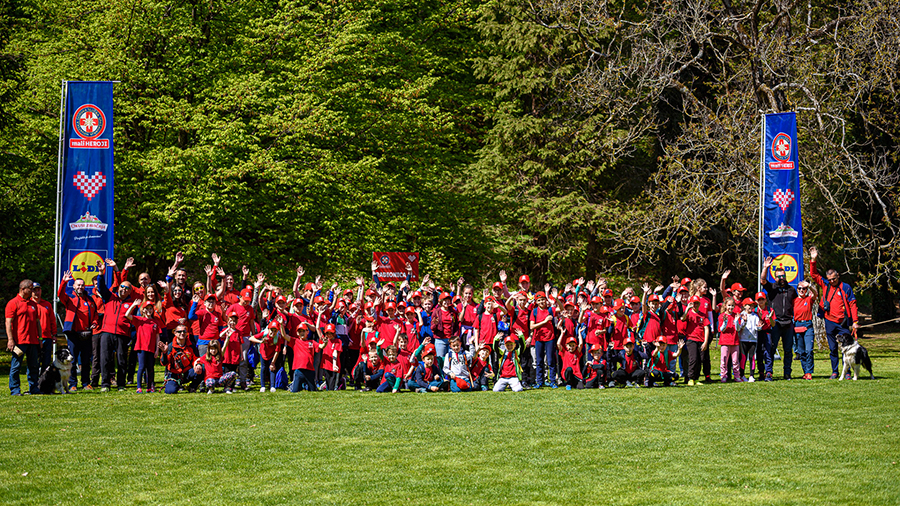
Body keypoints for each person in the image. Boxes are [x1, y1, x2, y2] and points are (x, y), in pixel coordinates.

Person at [808, 246, 859, 379]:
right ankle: (835, 371)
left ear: (838, 276)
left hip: (842, 322)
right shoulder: (826, 285)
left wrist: (855, 321)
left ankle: (847, 372)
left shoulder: (846, 288)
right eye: (829, 279)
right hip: (829, 321)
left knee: (847, 349)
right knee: (832, 349)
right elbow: (814, 275)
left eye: (834, 279)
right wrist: (813, 260)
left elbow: (853, 304)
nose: (831, 281)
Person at [95, 261, 137, 392]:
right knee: (105, 359)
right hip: (106, 332)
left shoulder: (132, 302)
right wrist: (101, 273)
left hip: (122, 334)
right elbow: (101, 287)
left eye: (127, 288)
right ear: (118, 288)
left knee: (121, 359)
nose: (123, 289)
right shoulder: (110, 297)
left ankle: (121, 384)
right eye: (122, 287)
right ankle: (105, 384)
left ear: (130, 291)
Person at [58, 270, 98, 391]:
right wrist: (64, 282)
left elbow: (95, 314)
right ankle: (72, 384)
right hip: (73, 334)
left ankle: (86, 383)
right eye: (78, 285)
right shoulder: (69, 298)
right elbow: (60, 295)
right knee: (72, 360)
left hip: (87, 334)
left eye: (82, 285)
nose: (80, 287)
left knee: (86, 360)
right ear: (74, 286)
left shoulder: (90, 300)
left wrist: (95, 323)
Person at [760, 256, 798, 380]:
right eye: (779, 276)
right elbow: (763, 281)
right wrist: (765, 267)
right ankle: (769, 372)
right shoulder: (772, 288)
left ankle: (787, 373)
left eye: (783, 276)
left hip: (788, 323)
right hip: (775, 323)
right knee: (771, 348)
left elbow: (796, 303)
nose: (781, 278)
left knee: (788, 350)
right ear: (775, 277)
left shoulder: (791, 289)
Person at [5, 280, 41, 395]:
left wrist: (40, 338)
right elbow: (8, 322)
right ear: (23, 289)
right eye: (30, 289)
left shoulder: (33, 304)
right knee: (16, 366)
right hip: (19, 341)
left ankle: (34, 388)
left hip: (33, 341)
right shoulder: (13, 303)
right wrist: (10, 340)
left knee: (33, 366)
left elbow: (37, 322)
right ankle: (15, 389)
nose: (32, 291)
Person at [125, 302, 163, 393]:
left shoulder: (155, 322)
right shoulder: (139, 320)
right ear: (143, 310)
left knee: (150, 368)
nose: (149, 310)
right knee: (141, 367)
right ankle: (139, 387)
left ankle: (149, 387)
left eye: (151, 308)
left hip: (151, 348)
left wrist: (157, 350)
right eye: (147, 308)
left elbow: (158, 337)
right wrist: (134, 305)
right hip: (141, 347)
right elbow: (127, 315)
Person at [680, 295, 709, 386]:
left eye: (697, 303)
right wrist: (687, 309)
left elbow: (706, 328)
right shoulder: (688, 313)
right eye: (693, 303)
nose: (695, 305)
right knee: (693, 359)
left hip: (701, 340)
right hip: (691, 339)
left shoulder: (703, 315)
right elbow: (682, 318)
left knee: (700, 359)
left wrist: (705, 342)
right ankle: (690, 378)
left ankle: (696, 378)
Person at [529, 291, 556, 388]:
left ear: (546, 300)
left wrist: (556, 299)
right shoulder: (534, 311)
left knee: (550, 361)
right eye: (539, 300)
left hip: (550, 338)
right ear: (536, 302)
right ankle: (539, 381)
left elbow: (560, 309)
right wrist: (544, 322)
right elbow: (532, 326)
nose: (541, 302)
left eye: (543, 300)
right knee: (539, 361)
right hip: (539, 339)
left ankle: (552, 381)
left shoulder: (550, 310)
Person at [159, 328, 199, 393]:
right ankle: (176, 385)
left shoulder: (191, 345)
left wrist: (198, 365)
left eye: (184, 331)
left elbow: (196, 359)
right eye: (179, 331)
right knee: (170, 391)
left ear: (186, 333)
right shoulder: (170, 346)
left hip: (187, 372)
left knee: (201, 368)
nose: (182, 333)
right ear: (175, 333)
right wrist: (164, 353)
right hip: (174, 373)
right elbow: (164, 363)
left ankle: (192, 387)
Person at [792, 280, 817, 380]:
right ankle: (805, 372)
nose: (801, 290)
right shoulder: (794, 301)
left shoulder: (809, 299)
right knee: (801, 352)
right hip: (798, 325)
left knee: (809, 350)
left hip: (807, 325)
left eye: (803, 288)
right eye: (799, 288)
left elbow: (815, 294)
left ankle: (809, 372)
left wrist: (809, 286)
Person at [30, 283, 57, 370]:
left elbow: (52, 320)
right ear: (31, 292)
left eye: (38, 290)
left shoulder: (47, 304)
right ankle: (33, 381)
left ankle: (44, 380)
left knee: (46, 361)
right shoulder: (28, 304)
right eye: (34, 290)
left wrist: (54, 334)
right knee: (34, 361)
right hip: (34, 338)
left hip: (47, 337)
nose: (36, 292)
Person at [735, 299, 761, 382]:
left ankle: (751, 375)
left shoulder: (755, 316)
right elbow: (740, 327)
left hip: (753, 339)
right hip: (743, 339)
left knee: (752, 357)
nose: (750, 307)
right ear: (744, 306)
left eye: (752, 305)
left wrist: (759, 327)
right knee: (743, 357)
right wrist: (744, 321)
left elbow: (758, 327)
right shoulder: (742, 315)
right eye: (748, 305)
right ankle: (742, 375)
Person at [718, 299, 741, 383]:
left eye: (732, 305)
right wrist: (725, 322)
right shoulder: (722, 316)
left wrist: (736, 321)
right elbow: (721, 329)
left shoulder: (736, 316)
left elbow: (738, 329)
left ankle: (737, 376)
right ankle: (723, 375)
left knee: (735, 360)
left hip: (735, 341)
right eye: (729, 305)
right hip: (725, 341)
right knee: (724, 360)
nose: (730, 307)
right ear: (725, 306)